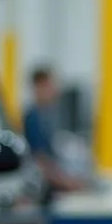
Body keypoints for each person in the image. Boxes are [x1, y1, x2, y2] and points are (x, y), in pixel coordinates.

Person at [23, 65, 88, 194]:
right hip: (43, 187)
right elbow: (39, 159)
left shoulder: (48, 117)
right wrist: (66, 182)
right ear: (39, 87)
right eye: (50, 86)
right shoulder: (33, 120)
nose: (55, 90)